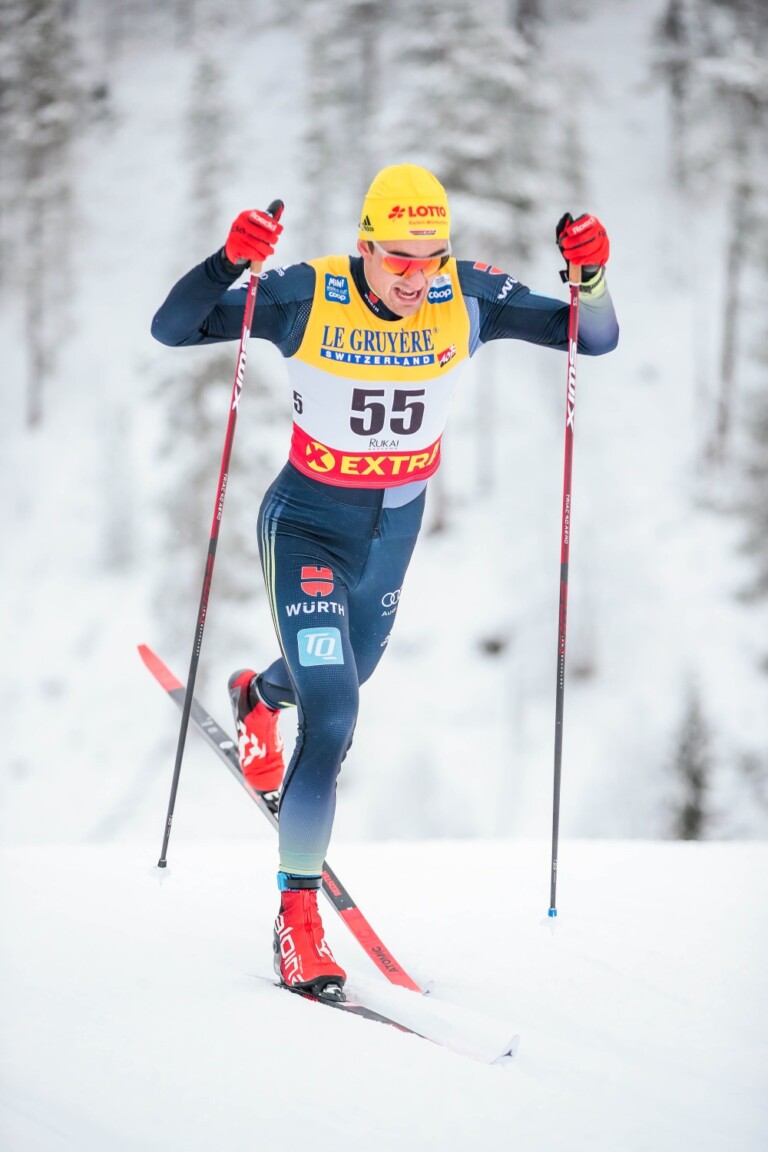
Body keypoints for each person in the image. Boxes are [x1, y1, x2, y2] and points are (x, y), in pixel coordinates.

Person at [152, 163, 619, 998]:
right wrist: (227, 262)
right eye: (400, 258)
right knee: (335, 711)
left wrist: (590, 276)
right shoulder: (307, 295)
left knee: (350, 668)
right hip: (306, 526)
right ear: (365, 245)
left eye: (432, 257)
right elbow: (173, 328)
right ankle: (297, 921)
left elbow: (594, 336)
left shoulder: (466, 296)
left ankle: (257, 697)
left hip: (393, 534)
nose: (417, 277)